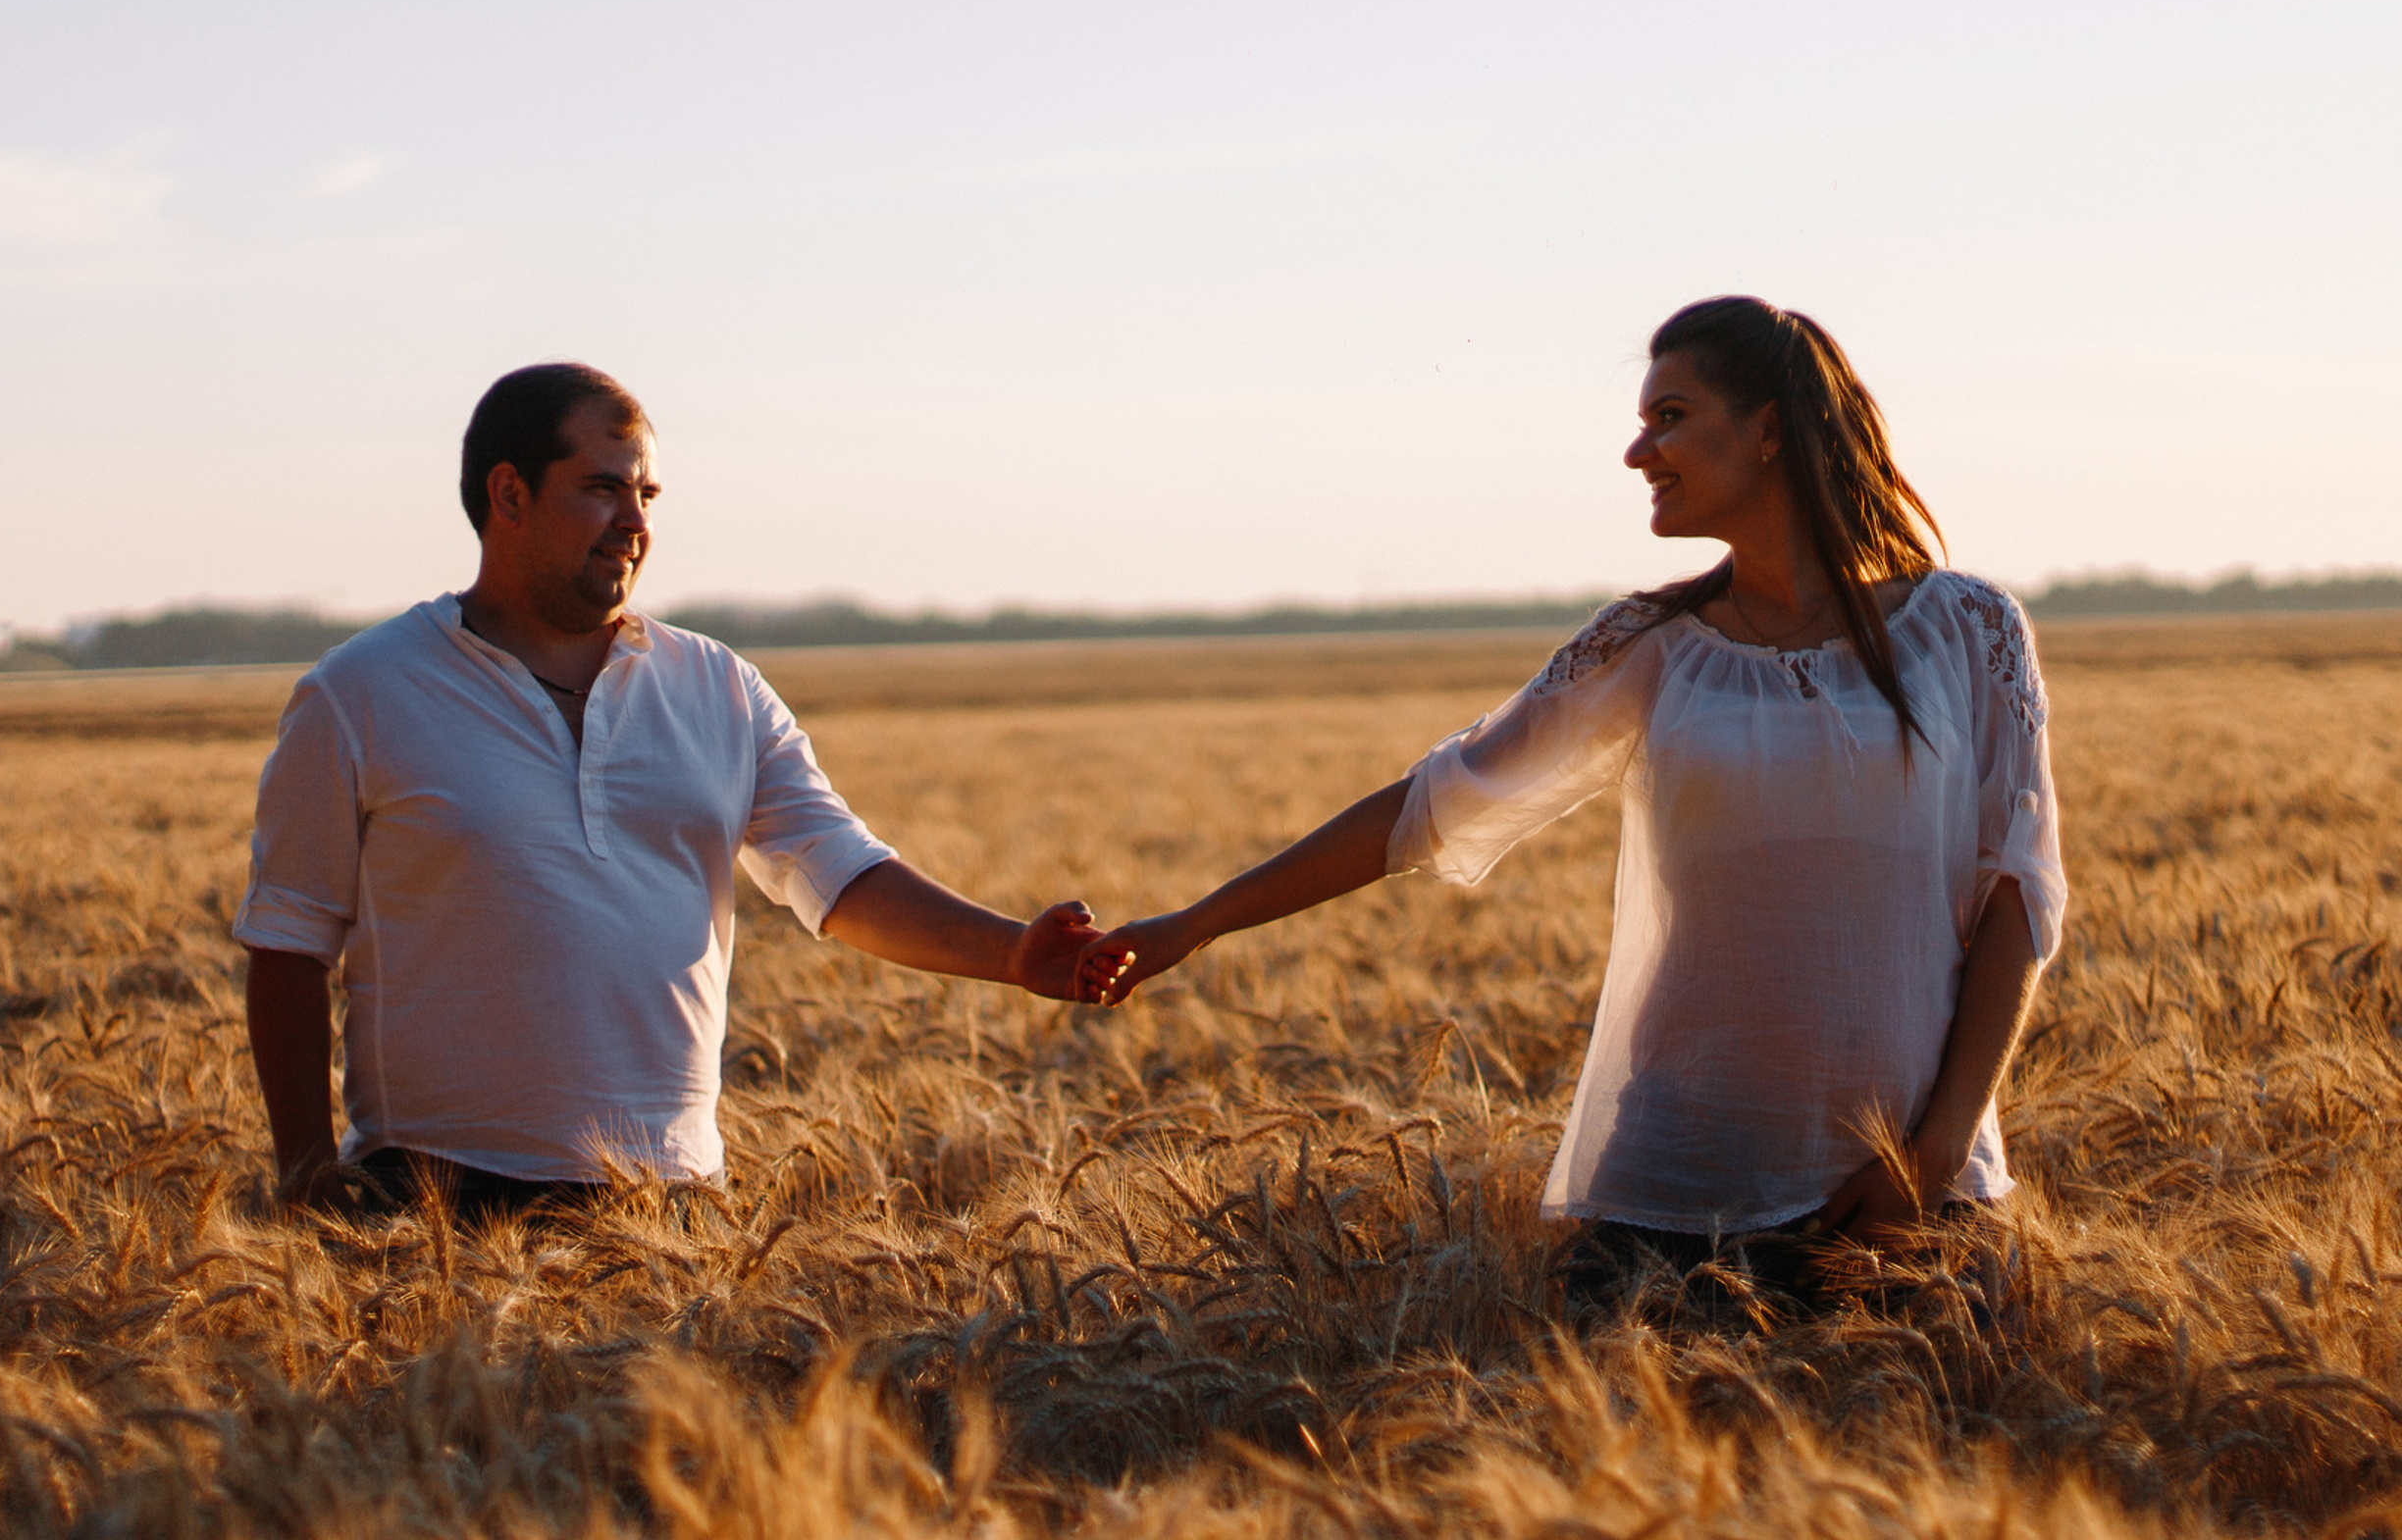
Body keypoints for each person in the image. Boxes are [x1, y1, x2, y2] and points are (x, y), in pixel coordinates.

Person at [1078, 296, 2065, 1290]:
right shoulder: (1648, 646)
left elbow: (2015, 896)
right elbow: (1428, 806)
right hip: (1681, 1196)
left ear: (1768, 430)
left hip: (1913, 1199)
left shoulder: (1966, 631)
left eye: (1669, 416)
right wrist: (1196, 925)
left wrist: (1933, 1154)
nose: (1639, 452)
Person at [235, 363, 1124, 1214]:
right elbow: (288, 945)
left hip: (672, 1208)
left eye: (646, 495)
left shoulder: (719, 689)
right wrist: (308, 1173)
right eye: (603, 488)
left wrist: (1011, 954)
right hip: (436, 1201)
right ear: (509, 494)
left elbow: (840, 873)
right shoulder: (362, 693)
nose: (634, 520)